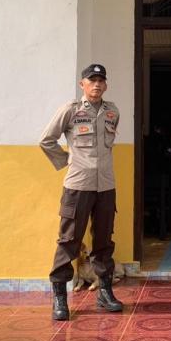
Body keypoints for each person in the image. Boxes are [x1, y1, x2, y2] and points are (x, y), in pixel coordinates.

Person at [39, 64, 123, 321]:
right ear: (82, 84)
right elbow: (46, 140)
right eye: (91, 80)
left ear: (106, 85)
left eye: (101, 80)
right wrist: (67, 161)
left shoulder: (112, 112)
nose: (96, 84)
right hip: (78, 186)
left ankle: (105, 292)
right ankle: (59, 297)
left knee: (104, 240)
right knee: (69, 241)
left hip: (105, 186)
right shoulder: (71, 110)